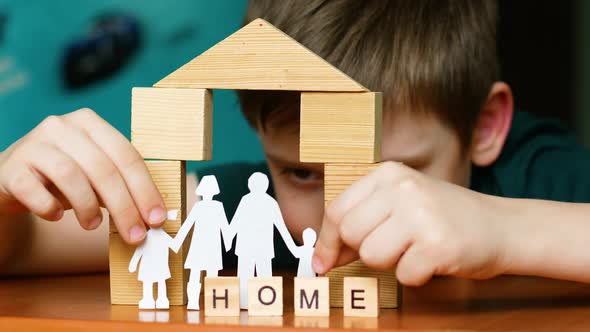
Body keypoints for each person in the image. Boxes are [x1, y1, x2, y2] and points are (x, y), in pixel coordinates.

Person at [2, 0, 590, 290]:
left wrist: (512, 232)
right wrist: (8, 193)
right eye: (304, 173)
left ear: (485, 128)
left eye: (396, 173)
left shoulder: (540, 181)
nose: (348, 215)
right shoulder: (243, 203)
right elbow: (21, 246)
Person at [225, 172, 298, 309]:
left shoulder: (248, 200)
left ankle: (251, 302)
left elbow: (235, 223)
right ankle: (263, 302)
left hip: (249, 247)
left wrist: (228, 239)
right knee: (260, 275)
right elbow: (281, 227)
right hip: (259, 248)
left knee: (253, 275)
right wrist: (292, 247)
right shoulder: (269, 202)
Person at [173, 175, 231, 310]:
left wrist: (177, 242)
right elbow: (187, 224)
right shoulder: (207, 206)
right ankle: (195, 302)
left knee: (201, 274)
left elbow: (223, 226)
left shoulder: (211, 206)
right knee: (201, 274)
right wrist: (228, 243)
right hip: (205, 245)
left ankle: (207, 302)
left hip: (206, 245)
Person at [129, 227, 179, 309]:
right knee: (152, 282)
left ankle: (160, 300)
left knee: (156, 281)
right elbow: (175, 245)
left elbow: (175, 246)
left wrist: (133, 263)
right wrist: (133, 263)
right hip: (154, 264)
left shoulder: (159, 235)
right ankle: (152, 300)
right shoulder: (154, 235)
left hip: (156, 264)